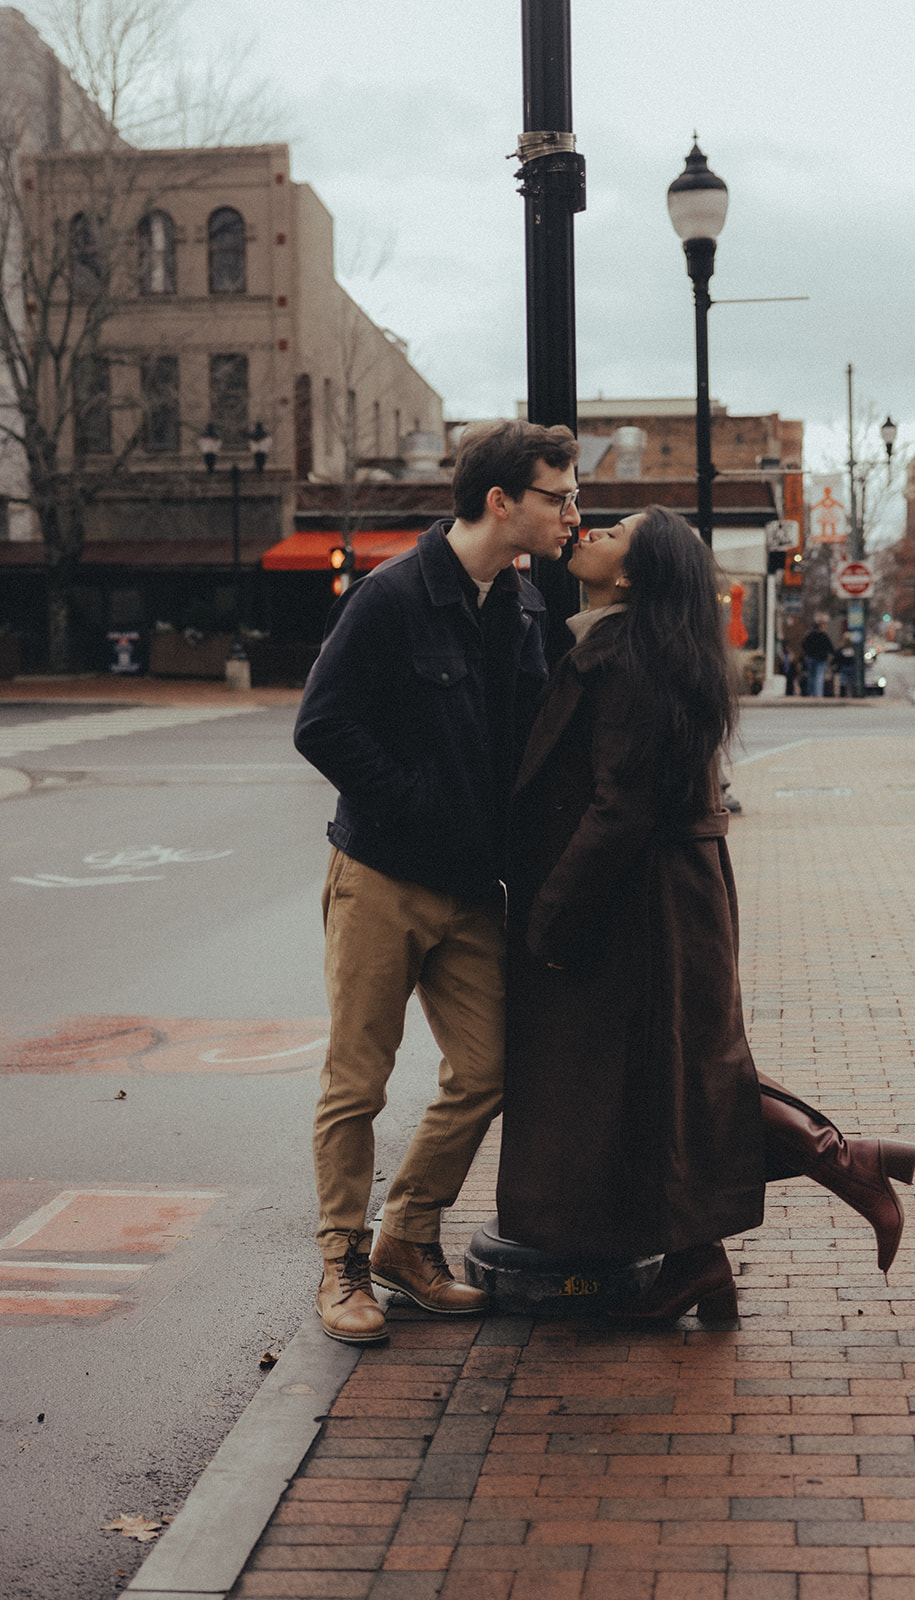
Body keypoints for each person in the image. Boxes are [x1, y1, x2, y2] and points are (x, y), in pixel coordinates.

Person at [498, 506, 915, 1324]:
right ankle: (703, 1258)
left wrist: (552, 916)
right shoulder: (642, 647)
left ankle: (839, 1164)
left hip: (643, 901)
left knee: (676, 1073)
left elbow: (619, 806)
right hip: (660, 891)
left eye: (614, 532)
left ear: (632, 575)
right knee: (666, 1074)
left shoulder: (626, 658)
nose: (591, 532)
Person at [294, 418, 580, 1343]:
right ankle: (341, 1262)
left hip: (471, 888)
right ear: (501, 501)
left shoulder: (522, 606)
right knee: (357, 1082)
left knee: (490, 1070)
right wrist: (415, 803)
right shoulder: (389, 597)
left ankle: (406, 1237)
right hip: (381, 876)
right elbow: (321, 726)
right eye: (558, 496)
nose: (572, 514)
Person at [802, 616, 835, 698]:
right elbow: (830, 647)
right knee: (819, 676)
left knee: (811, 676)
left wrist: (807, 653)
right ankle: (818, 694)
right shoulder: (824, 636)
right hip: (821, 659)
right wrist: (833, 654)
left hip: (811, 658)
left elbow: (804, 645)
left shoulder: (810, 635)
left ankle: (810, 693)